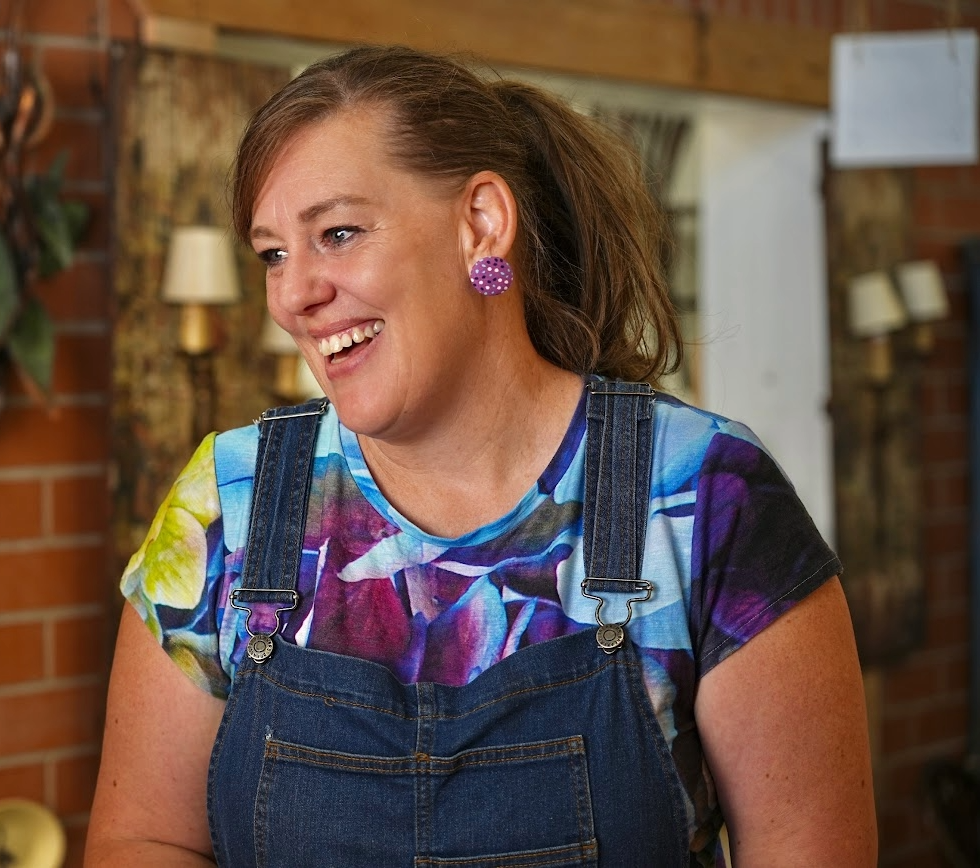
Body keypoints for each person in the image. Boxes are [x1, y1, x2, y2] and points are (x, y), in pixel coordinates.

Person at [86, 45, 876, 867]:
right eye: (272, 254)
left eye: (337, 233)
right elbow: (144, 839)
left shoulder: (705, 495)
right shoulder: (229, 502)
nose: (292, 295)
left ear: (481, 224)